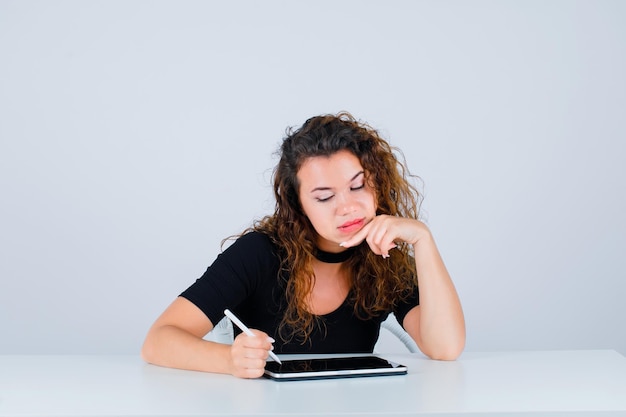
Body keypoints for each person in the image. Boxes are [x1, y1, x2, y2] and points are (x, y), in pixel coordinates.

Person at [141, 112, 465, 378]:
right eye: (324, 197)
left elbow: (445, 348)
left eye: (358, 187)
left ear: (378, 186)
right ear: (299, 206)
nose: (347, 207)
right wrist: (228, 360)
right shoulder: (258, 253)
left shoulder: (385, 255)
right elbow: (158, 341)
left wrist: (422, 239)